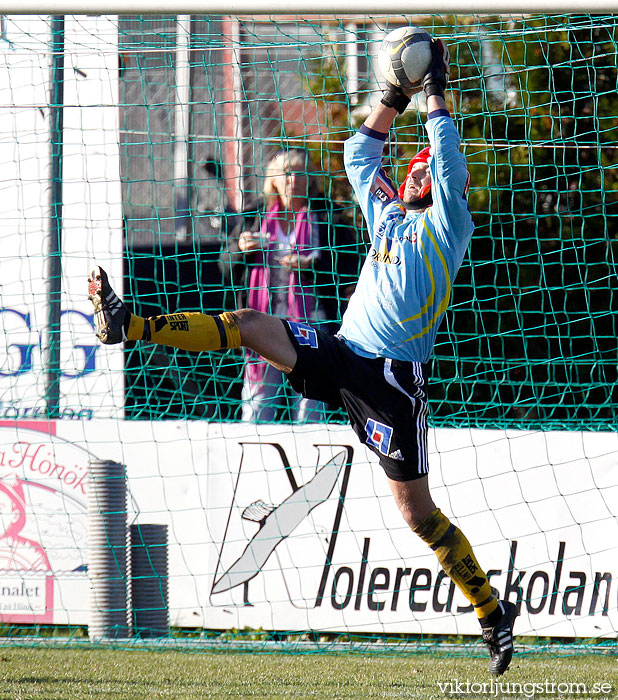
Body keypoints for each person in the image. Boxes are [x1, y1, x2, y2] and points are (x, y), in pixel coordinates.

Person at [88, 36, 516, 675]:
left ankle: (489, 609)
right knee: (253, 322)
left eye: (430, 168)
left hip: (391, 386)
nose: (424, 171)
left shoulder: (447, 225)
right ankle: (131, 322)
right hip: (343, 354)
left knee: (418, 516)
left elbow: (450, 160)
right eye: (418, 167)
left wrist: (433, 92)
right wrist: (392, 95)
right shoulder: (389, 215)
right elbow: (357, 153)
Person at [218, 148, 327, 422]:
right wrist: (240, 248)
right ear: (274, 180)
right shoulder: (254, 215)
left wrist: (312, 265)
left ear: (310, 180)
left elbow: (345, 268)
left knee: (310, 405)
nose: (294, 180)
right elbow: (224, 266)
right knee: (258, 406)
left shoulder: (326, 217)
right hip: (262, 327)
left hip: (310, 327)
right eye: (287, 174)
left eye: (301, 174)